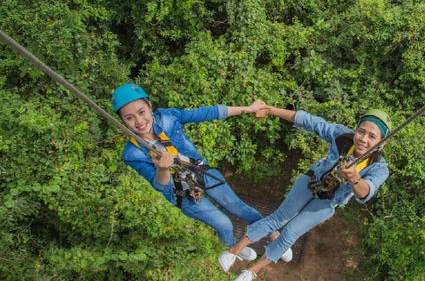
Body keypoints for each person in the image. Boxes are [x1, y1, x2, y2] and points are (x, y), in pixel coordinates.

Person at [111, 83, 292, 265]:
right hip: (182, 194)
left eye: (141, 112)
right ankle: (235, 248)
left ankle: (274, 235)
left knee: (238, 206)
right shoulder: (133, 153)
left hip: (201, 172)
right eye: (129, 118)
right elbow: (160, 185)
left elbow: (206, 113)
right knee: (224, 224)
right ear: (122, 121)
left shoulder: (168, 117)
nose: (139, 121)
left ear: (150, 106)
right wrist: (162, 169)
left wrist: (248, 108)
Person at [221, 105, 392, 281]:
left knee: (290, 233)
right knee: (278, 218)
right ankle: (234, 252)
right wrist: (270, 110)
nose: (363, 139)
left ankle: (252, 271)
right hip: (312, 182)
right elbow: (309, 121)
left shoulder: (379, 168)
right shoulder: (343, 137)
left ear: (382, 142)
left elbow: (365, 193)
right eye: (361, 132)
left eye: (372, 137)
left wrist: (354, 177)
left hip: (328, 201)